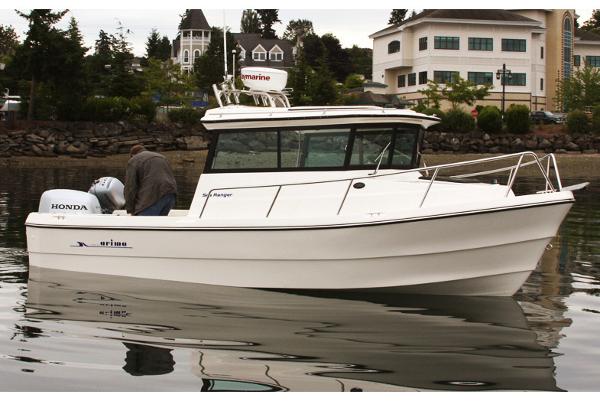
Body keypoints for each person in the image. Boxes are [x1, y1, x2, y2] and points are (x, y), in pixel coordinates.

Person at [124, 144, 177, 216]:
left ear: (133, 155)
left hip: (153, 197)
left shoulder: (134, 160)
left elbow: (130, 187)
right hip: (171, 194)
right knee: (158, 225)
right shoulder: (162, 157)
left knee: (142, 225)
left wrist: (130, 209)